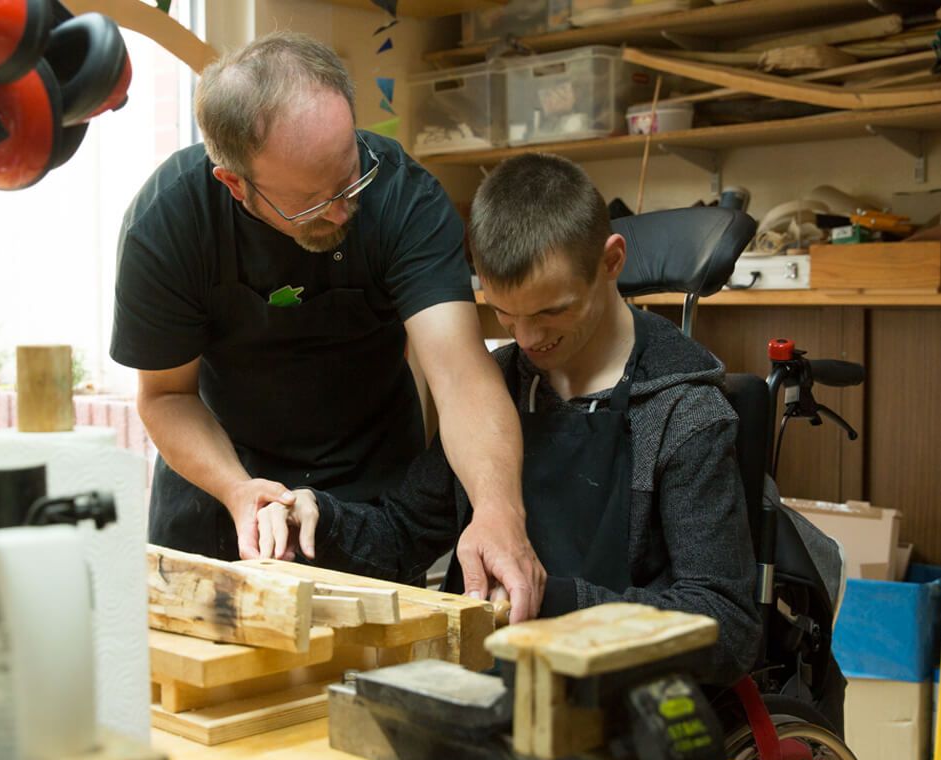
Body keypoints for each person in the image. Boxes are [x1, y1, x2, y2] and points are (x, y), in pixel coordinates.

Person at [258, 153, 762, 684]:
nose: (526, 340)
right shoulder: (493, 390)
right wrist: (316, 519)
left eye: (550, 311)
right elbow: (401, 534)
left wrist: (555, 602)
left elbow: (727, 626)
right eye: (504, 314)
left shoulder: (682, 413)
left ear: (612, 261)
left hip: (620, 714)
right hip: (477, 695)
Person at [110, 33, 546, 618]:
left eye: (349, 180)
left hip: (368, 498)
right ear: (235, 184)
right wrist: (240, 490)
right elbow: (165, 395)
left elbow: (463, 378)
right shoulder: (167, 222)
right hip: (218, 490)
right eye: (313, 203)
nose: (343, 210)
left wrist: (497, 510)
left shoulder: (403, 198)